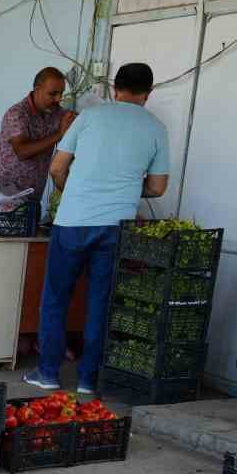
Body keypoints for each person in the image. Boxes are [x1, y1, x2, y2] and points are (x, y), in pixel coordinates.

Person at [26, 63, 170, 397]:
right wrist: (128, 189)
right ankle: (89, 380)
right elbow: (158, 187)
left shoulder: (88, 118)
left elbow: (57, 168)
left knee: (56, 300)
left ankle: (48, 373)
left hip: (73, 221)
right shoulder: (156, 128)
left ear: (114, 88)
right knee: (100, 303)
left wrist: (71, 191)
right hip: (116, 226)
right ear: (149, 93)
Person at [0, 67, 75, 200]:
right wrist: (59, 135)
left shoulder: (56, 112)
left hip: (35, 194)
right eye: (53, 94)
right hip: (9, 195)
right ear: (37, 90)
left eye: (61, 93)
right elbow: (22, 151)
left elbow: (77, 121)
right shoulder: (17, 113)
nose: (58, 99)